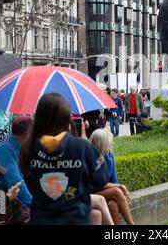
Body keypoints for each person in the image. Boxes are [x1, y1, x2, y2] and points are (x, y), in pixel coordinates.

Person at [20, 93, 110, 225]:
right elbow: (101, 178)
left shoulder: (27, 148)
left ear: (38, 117)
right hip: (76, 219)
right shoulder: (82, 147)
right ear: (67, 119)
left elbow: (30, 183)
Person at [89, 129, 134, 225]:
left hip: (104, 192)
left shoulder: (109, 156)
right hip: (92, 194)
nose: (112, 143)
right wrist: (121, 187)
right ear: (102, 143)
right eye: (110, 141)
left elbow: (114, 179)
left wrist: (120, 189)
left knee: (113, 205)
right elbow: (98, 184)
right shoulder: (90, 158)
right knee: (117, 191)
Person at [0, 116, 34, 224]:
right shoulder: (6, 150)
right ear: (28, 133)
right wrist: (34, 203)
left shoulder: (21, 146)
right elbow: (15, 182)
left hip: (10, 199)